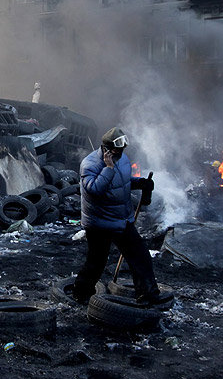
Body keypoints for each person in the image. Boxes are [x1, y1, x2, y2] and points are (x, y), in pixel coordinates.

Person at [71, 127, 173, 307]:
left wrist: (140, 183)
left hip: (121, 219)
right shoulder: (90, 164)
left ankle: (148, 295)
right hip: (99, 223)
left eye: (122, 148)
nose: (120, 152)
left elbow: (122, 184)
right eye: (116, 149)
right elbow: (94, 190)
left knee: (140, 256)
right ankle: (80, 293)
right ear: (106, 148)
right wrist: (108, 168)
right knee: (96, 262)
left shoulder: (123, 159)